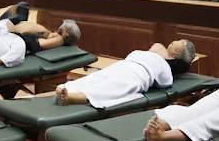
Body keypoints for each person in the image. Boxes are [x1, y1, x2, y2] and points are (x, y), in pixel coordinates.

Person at [52, 40, 196, 108]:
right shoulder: (158, 50)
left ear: (178, 51)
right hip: (125, 65)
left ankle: (74, 98)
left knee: (110, 87)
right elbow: (157, 46)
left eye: (178, 42)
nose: (174, 41)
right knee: (96, 77)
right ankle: (67, 88)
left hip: (138, 74)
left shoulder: (166, 69)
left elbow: (164, 83)